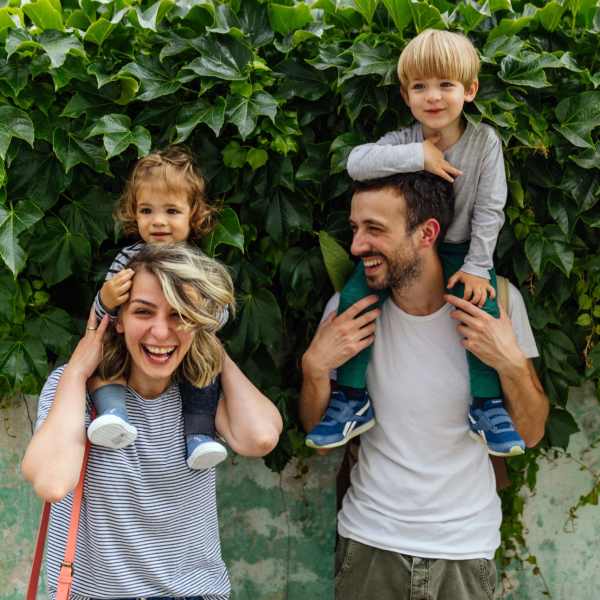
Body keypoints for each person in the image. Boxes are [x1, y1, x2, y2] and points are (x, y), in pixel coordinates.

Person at [299, 173, 549, 599]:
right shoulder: (348, 312)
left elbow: (530, 432)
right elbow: (322, 441)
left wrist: (509, 363)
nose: (357, 246)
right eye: (356, 229)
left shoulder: (498, 303)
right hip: (370, 543)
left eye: (375, 230)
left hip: (465, 550)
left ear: (426, 233)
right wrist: (314, 368)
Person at [22, 243, 283, 600]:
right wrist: (77, 371)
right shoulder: (75, 388)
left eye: (179, 315)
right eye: (144, 312)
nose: (161, 333)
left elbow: (262, 437)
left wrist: (208, 344)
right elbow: (51, 483)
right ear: (119, 319)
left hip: (193, 593)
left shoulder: (200, 393)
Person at [306, 29, 523, 457]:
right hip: (407, 247)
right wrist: (419, 157)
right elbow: (356, 162)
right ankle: (351, 398)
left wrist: (479, 266)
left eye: (446, 85)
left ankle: (488, 405)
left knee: (481, 309)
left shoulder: (484, 143)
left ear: (470, 90)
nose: (434, 97)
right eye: (420, 87)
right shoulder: (404, 141)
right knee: (354, 298)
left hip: (462, 251)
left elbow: (490, 207)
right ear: (406, 96)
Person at [87, 146, 231, 470]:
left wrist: (201, 311)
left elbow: (219, 317)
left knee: (208, 366)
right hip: (133, 354)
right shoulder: (127, 260)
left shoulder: (196, 265)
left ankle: (198, 435)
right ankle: (113, 414)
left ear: (193, 215)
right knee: (105, 355)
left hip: (184, 352)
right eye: (147, 211)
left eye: (172, 211)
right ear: (133, 214)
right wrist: (107, 299)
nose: (158, 222)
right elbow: (102, 317)